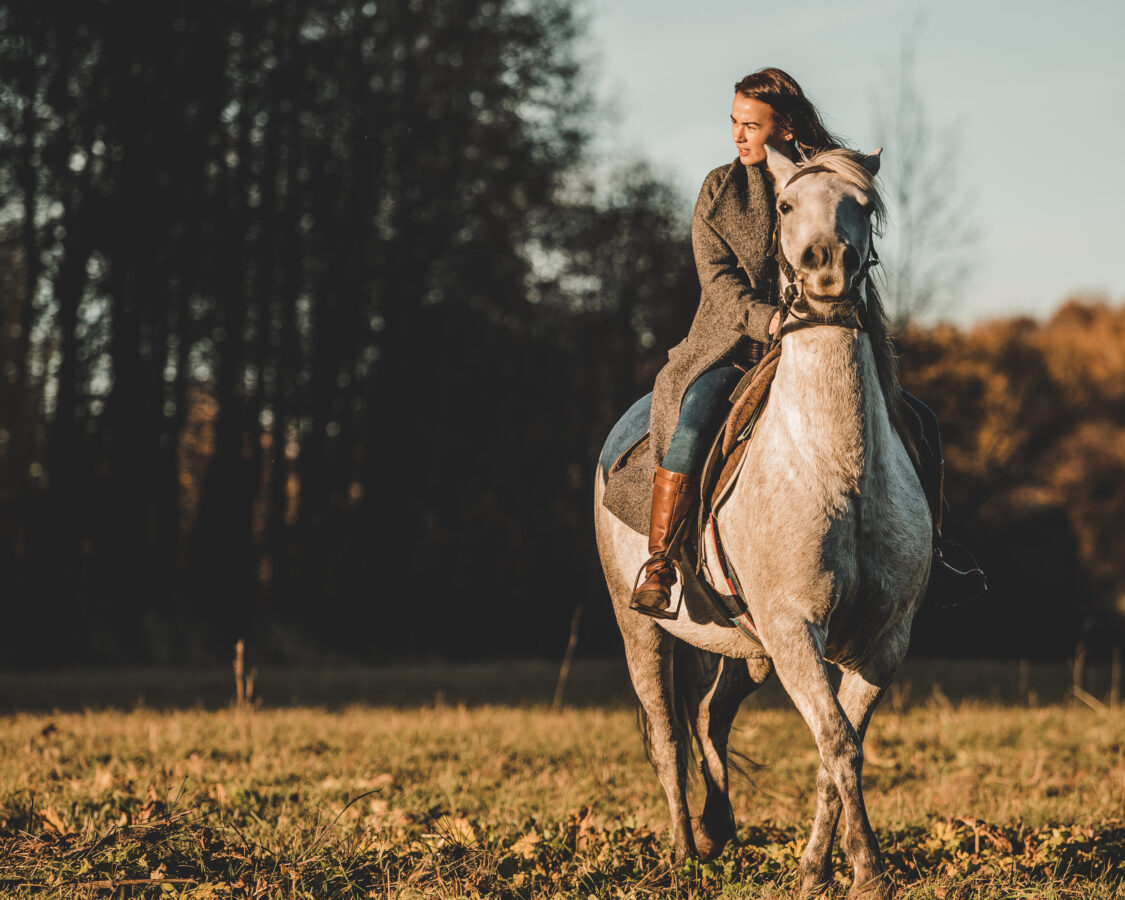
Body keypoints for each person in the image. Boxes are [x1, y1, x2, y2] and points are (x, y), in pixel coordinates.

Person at [629, 67, 985, 618]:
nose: (738, 136)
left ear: (786, 126)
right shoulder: (719, 191)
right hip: (737, 350)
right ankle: (661, 560)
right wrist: (768, 320)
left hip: (827, 349)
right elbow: (719, 283)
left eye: (752, 125)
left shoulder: (833, 178)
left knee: (922, 422)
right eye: (734, 123)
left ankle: (931, 555)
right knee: (695, 417)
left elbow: (857, 258)